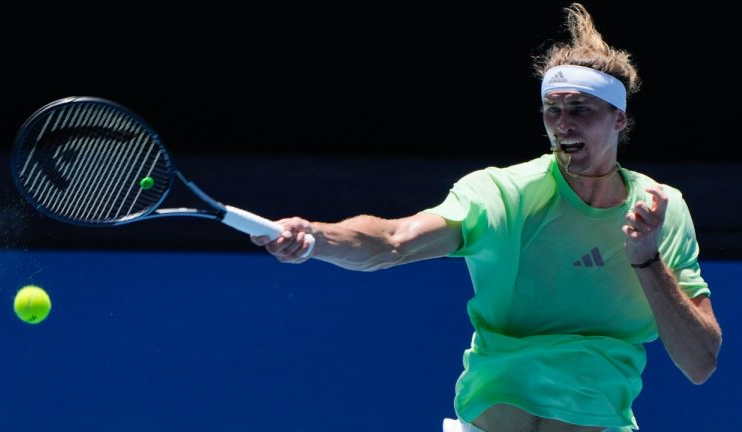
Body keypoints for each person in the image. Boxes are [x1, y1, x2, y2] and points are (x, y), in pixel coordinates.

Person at [250, 3, 723, 431]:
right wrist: (316, 236)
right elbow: (395, 239)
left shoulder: (662, 210)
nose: (563, 125)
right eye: (552, 110)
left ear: (619, 118)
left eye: (581, 109)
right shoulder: (504, 194)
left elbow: (700, 362)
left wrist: (646, 261)